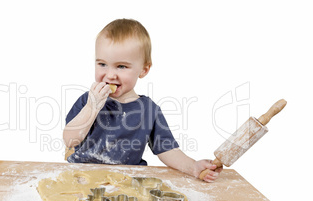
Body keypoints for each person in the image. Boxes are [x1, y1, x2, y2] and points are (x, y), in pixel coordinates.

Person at [63, 19, 221, 182]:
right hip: (82, 177)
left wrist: (193, 167)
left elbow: (167, 151)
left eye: (121, 66)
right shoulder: (88, 101)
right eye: (102, 64)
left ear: (143, 70)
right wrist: (91, 108)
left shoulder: (149, 110)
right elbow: (70, 140)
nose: (110, 75)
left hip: (126, 181)